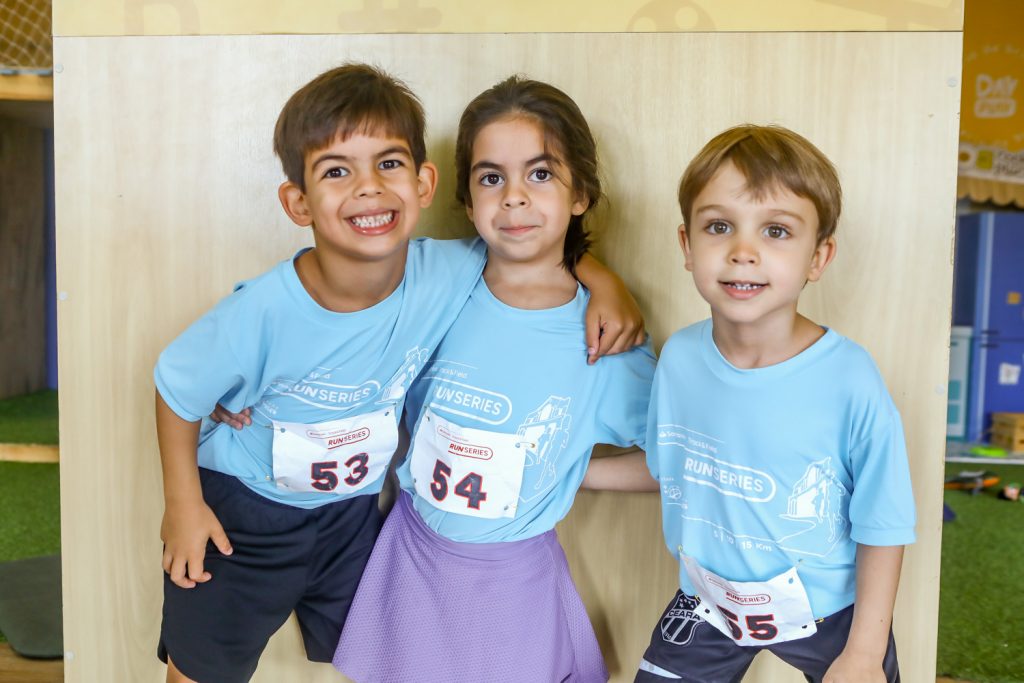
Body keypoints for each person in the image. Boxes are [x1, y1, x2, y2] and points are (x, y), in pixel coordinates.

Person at [153, 63, 641, 683]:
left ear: (424, 183)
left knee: (376, 657)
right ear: (297, 201)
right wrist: (183, 506)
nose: (367, 187)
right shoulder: (266, 311)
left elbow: (527, 240)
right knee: (204, 665)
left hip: (354, 514)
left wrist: (604, 281)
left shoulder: (447, 273)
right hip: (246, 512)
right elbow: (176, 387)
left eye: (387, 164)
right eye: (337, 170)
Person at [331, 76, 656, 683]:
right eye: (490, 177)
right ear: (465, 195)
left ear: (580, 192)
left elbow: (676, 460)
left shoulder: (605, 338)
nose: (513, 198)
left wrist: (573, 468)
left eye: (540, 174)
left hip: (512, 585)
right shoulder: (433, 284)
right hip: (410, 554)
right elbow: (338, 333)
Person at [635, 125, 916, 683]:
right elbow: (672, 468)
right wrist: (572, 471)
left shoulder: (849, 377)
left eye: (776, 231)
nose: (743, 252)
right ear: (687, 247)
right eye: (719, 227)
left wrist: (863, 652)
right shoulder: (681, 358)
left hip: (832, 616)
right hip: (708, 603)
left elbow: (882, 524)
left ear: (819, 256)